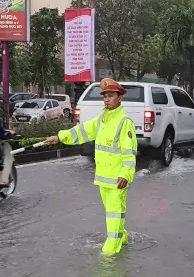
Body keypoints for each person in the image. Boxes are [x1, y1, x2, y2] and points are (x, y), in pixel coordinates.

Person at [45, 78, 137, 255]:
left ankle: (112, 246)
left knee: (114, 211)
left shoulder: (124, 123)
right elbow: (82, 131)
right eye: (105, 96)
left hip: (117, 178)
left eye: (110, 96)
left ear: (120, 98)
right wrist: (59, 137)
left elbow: (129, 152)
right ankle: (121, 235)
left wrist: (125, 174)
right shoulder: (102, 119)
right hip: (103, 176)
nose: (106, 99)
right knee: (114, 210)